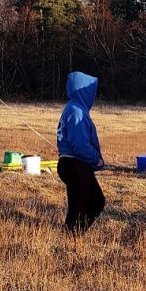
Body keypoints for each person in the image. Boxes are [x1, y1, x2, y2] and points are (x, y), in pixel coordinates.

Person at [56, 71, 105, 236]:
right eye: (93, 91)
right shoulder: (76, 111)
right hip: (76, 164)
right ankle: (73, 235)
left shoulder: (73, 108)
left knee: (78, 204)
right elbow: (80, 145)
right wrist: (96, 160)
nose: (95, 95)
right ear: (83, 91)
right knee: (94, 202)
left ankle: (71, 235)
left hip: (71, 163)